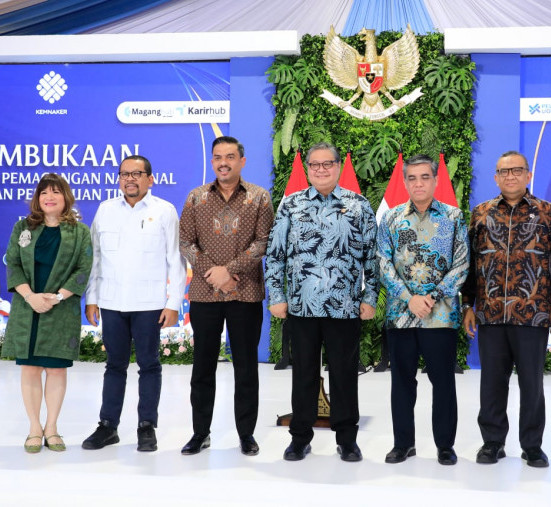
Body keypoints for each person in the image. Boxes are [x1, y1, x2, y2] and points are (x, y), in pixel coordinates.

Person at [265, 142, 378, 462]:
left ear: (338, 166)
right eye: (314, 164)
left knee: (344, 374)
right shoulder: (291, 204)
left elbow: (372, 257)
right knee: (303, 374)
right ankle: (300, 438)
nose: (321, 169)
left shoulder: (358, 205)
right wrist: (277, 296)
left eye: (327, 163)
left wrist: (370, 297)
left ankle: (347, 439)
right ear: (307, 169)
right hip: (302, 306)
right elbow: (275, 255)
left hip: (345, 306)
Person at [461, 150, 551, 468]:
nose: (510, 176)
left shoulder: (548, 212)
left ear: (528, 175)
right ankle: (492, 442)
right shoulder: (481, 213)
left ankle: (532, 446)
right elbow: (470, 264)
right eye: (504, 171)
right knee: (492, 383)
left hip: (533, 313)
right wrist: (468, 304)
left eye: (516, 170)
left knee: (531, 384)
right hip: (491, 313)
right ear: (496, 177)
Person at [82, 155, 185, 452]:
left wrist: (173, 303)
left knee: (149, 365)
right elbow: (95, 258)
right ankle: (107, 426)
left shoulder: (164, 211)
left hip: (149, 304)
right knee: (114, 365)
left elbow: (175, 260)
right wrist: (92, 299)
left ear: (150, 179)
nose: (130, 179)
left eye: (136, 174)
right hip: (111, 301)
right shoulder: (105, 210)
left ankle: (146, 426)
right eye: (124, 174)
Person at [178, 136, 273, 456]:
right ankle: (200, 433)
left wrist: (230, 272)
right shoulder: (196, 197)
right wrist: (215, 274)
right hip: (204, 294)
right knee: (202, 368)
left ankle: (246, 434)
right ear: (212, 161)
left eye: (230, 157)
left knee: (246, 368)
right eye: (218, 157)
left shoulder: (259, 197)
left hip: (245, 294)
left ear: (241, 161)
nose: (223, 163)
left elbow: (263, 242)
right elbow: (186, 242)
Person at [376, 155, 469, 466]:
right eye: (412, 178)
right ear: (405, 182)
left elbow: (461, 264)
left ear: (435, 180)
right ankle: (403, 444)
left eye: (425, 177)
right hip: (401, 316)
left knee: (443, 383)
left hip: (440, 315)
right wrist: (408, 297)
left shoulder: (453, 217)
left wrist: (431, 296)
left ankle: (445, 446)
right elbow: (383, 263)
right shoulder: (391, 219)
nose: (418, 183)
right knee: (402, 382)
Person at [2, 173, 92, 453]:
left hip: (60, 308)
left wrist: (57, 297)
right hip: (27, 306)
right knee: (30, 369)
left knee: (55, 369)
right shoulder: (23, 227)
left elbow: (83, 268)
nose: (49, 197)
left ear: (66, 197)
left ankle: (51, 428)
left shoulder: (79, 231)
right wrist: (30, 296)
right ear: (37, 199)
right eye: (43, 193)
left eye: (55, 192)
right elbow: (13, 263)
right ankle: (34, 428)